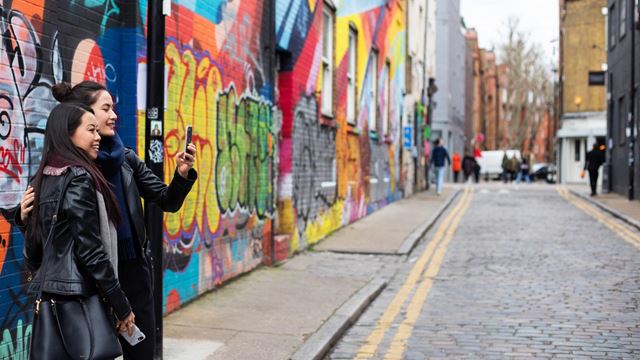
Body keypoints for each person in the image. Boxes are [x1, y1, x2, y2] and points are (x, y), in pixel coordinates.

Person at [19, 81, 197, 359]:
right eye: (105, 108)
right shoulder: (65, 171)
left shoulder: (125, 159)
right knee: (94, 351)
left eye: (113, 108)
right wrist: (22, 217)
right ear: (83, 114)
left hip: (130, 272)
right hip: (88, 280)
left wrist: (182, 174)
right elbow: (48, 234)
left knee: (139, 352)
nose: (113, 115)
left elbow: (167, 200)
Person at [22, 103, 136, 353]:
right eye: (91, 130)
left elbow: (35, 255)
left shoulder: (40, 179)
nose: (97, 138)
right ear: (68, 133)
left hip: (50, 300)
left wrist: (26, 220)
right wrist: (121, 304)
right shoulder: (79, 178)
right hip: (79, 300)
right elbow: (91, 251)